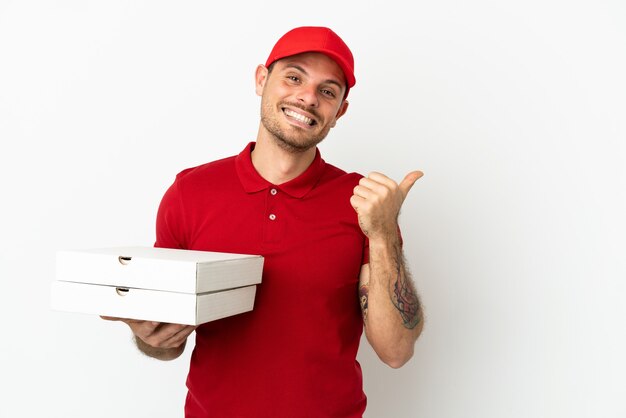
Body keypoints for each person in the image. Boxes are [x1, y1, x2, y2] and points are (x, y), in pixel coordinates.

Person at [103, 26, 424, 417]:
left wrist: (384, 232)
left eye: (327, 91)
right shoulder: (190, 192)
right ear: (261, 80)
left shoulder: (363, 204)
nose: (307, 97)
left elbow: (395, 351)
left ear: (339, 111)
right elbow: (167, 343)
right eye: (294, 77)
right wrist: (151, 336)